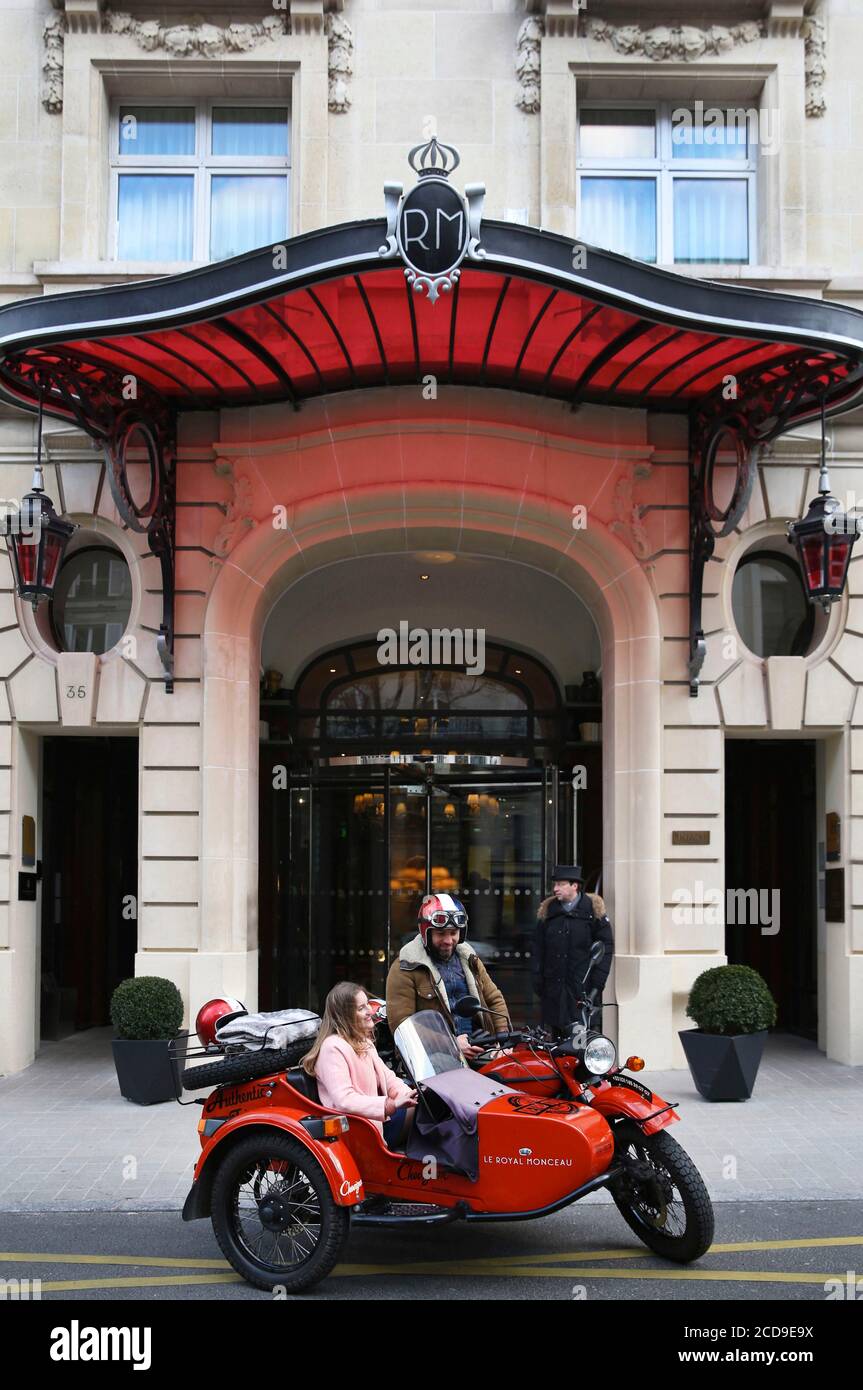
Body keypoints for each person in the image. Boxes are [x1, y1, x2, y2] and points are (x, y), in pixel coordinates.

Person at [386, 894, 510, 1059]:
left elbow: (494, 1000)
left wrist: (504, 1041)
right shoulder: (405, 967)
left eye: (453, 933)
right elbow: (402, 1024)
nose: (448, 940)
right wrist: (451, 1043)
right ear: (426, 933)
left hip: (478, 1049)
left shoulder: (470, 959)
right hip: (431, 1057)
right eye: (441, 933)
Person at [301, 981, 417, 1149]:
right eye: (361, 1008)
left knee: (430, 1104)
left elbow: (389, 1077)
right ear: (346, 1015)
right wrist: (389, 1105)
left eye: (367, 1004)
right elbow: (345, 1100)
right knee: (429, 1116)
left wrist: (409, 1094)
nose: (370, 1011)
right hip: (358, 1131)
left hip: (376, 1122)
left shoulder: (363, 1042)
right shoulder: (332, 1048)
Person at [533, 864, 614, 1038]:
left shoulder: (593, 912)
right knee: (556, 1046)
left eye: (561, 884)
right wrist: (538, 980)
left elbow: (605, 948)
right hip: (554, 993)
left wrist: (597, 984)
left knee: (583, 1044)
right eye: (555, 884)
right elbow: (538, 949)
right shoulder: (548, 913)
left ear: (574, 886)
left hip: (583, 991)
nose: (555, 889)